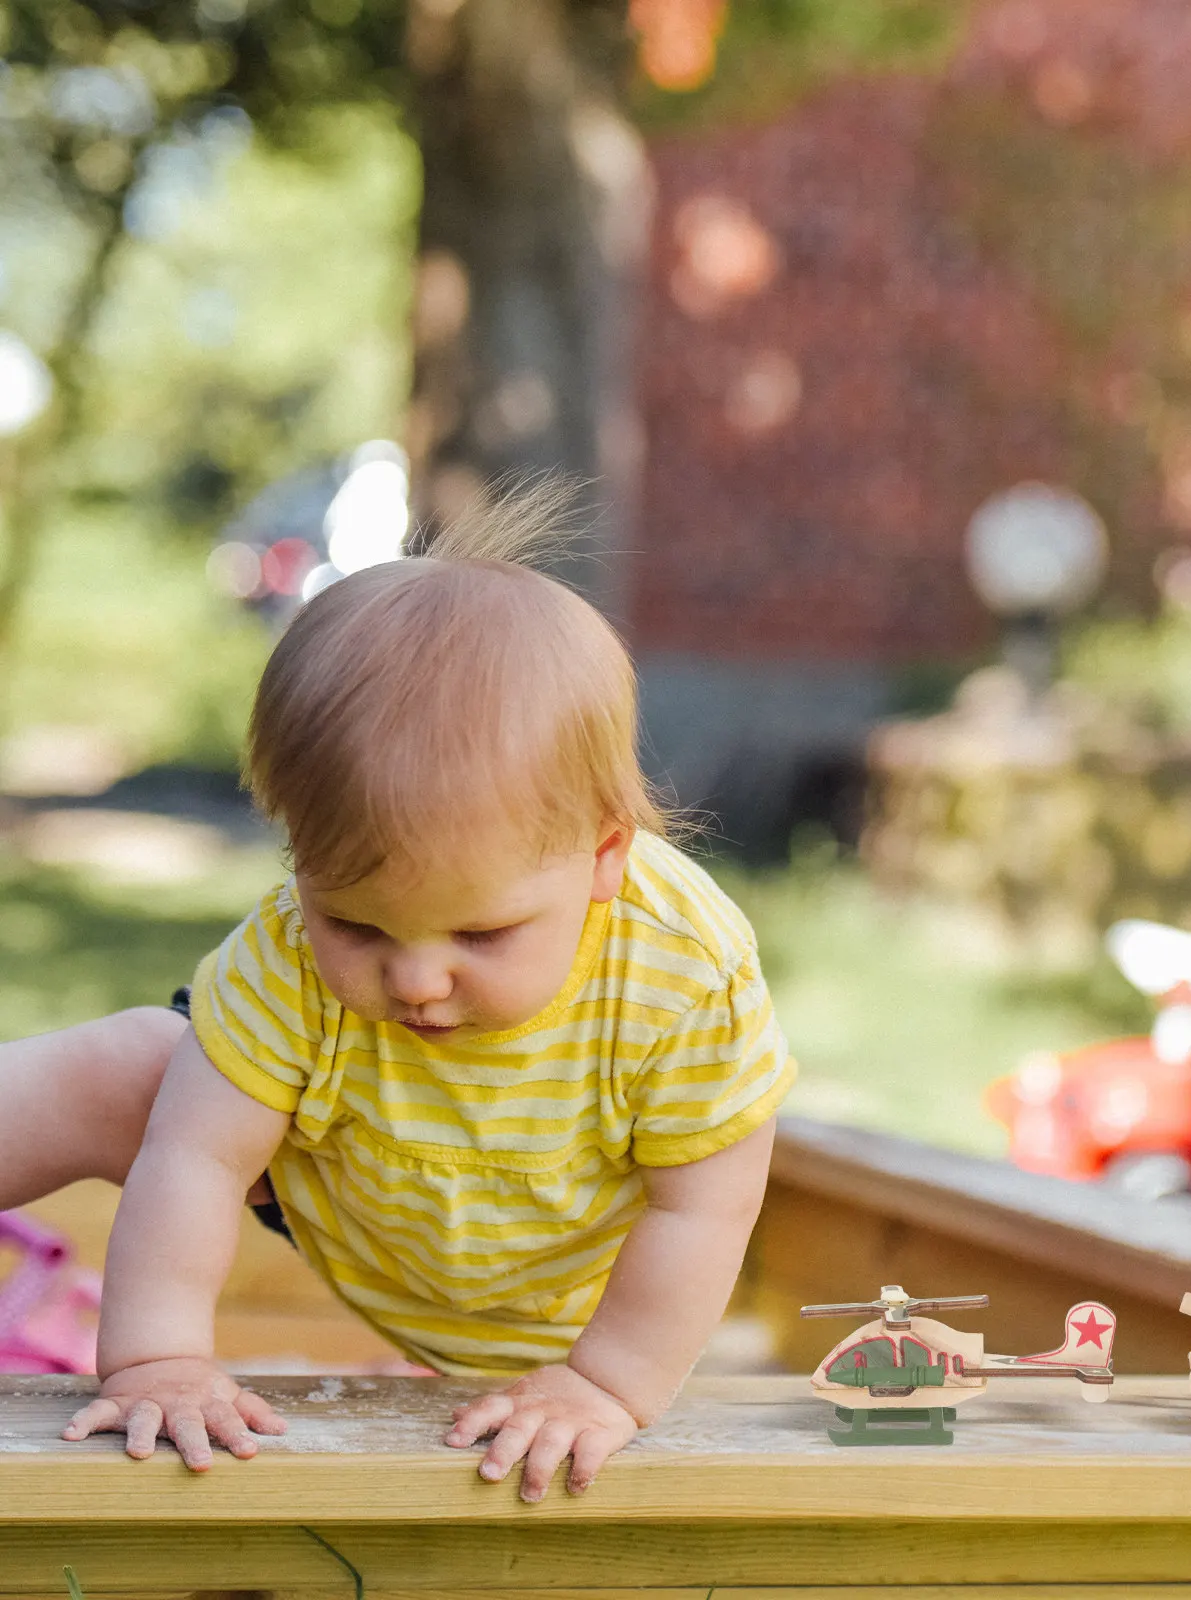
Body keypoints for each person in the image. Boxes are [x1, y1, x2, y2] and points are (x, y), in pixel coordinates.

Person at [0, 486, 795, 1501]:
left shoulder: (681, 972)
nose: (416, 979)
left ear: (602, 856)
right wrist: (158, 1357)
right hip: (356, 1181)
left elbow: (703, 1207)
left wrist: (605, 1382)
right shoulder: (287, 946)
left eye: (482, 932)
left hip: (576, 1271)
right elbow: (196, 1156)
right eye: (358, 926)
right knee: (133, 1068)